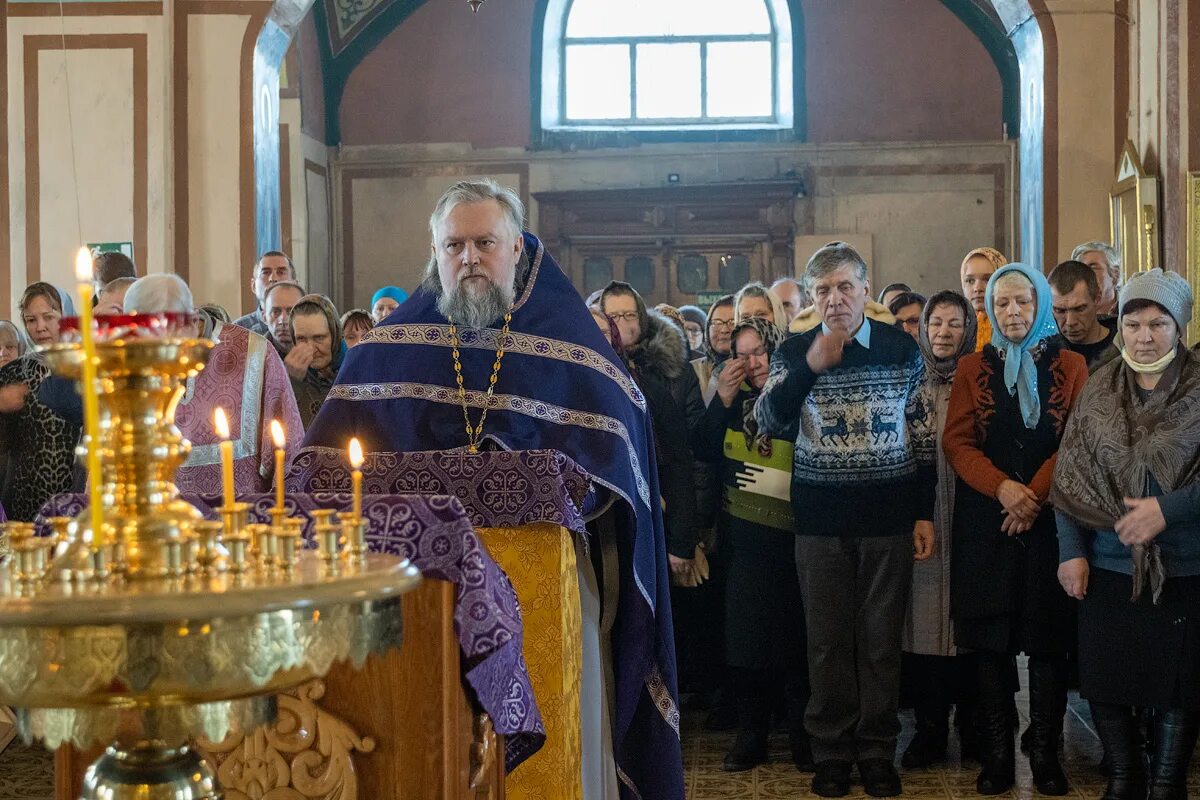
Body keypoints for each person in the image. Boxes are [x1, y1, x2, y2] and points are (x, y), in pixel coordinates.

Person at [298, 178, 684, 800]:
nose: (470, 258)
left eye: (485, 242)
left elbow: (622, 454)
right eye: (454, 246)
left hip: (549, 584)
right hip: (420, 598)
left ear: (518, 247)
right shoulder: (391, 348)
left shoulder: (571, 343)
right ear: (435, 254)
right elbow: (324, 460)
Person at [755, 241, 935, 799]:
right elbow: (769, 420)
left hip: (887, 515)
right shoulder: (794, 350)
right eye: (823, 290)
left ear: (863, 288)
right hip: (820, 519)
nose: (834, 299)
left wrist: (922, 513)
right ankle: (832, 751)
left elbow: (924, 436)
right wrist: (810, 367)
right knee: (828, 642)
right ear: (812, 298)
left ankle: (878, 750)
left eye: (844, 287)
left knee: (880, 642)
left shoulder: (900, 348)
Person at [942, 263, 1089, 796]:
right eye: (1001, 303)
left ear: (1039, 305)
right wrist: (1005, 489)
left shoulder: (1071, 365)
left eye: (1022, 301)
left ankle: (1046, 754)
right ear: (988, 309)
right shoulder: (970, 368)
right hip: (987, 520)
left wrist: (1032, 497)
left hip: (1050, 520)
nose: (1012, 312)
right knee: (990, 646)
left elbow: (1074, 439)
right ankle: (998, 755)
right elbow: (957, 442)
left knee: (1048, 645)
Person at [1053, 268, 1200, 800]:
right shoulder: (1098, 389)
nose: (1143, 336)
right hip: (1109, 563)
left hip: (1184, 565)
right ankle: (1124, 775)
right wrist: (1071, 552)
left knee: (1178, 687)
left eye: (1157, 324)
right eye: (1134, 323)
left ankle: (1165, 783)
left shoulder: (1199, 384)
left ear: (1178, 326)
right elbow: (1069, 478)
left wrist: (1170, 508)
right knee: (1105, 680)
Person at [697, 316, 812, 773]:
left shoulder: (796, 396)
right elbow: (701, 449)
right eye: (741, 353)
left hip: (794, 541)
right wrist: (721, 400)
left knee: (795, 643)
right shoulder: (730, 400)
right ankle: (751, 734)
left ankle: (804, 737)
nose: (752, 362)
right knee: (745, 644)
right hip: (742, 544)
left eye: (759, 351)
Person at [122, 274, 303, 495]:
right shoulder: (130, 361)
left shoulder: (254, 353)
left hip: (241, 520)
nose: (160, 352)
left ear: (192, 319)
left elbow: (288, 451)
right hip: (155, 520)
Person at [901, 291, 977, 769]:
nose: (944, 333)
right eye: (936, 324)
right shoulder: (909, 380)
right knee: (924, 626)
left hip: (972, 517)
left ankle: (974, 725)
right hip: (922, 519)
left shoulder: (984, 377)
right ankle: (929, 729)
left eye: (954, 324)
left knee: (971, 625)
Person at [600, 282, 703, 577]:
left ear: (642, 318)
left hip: (663, 509)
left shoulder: (665, 373)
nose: (622, 324)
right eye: (614, 318)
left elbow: (682, 458)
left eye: (629, 315)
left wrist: (683, 539)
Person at [0, 284, 81, 521]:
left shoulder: (84, 366)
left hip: (74, 489)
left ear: (66, 316)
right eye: (31, 320)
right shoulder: (12, 373)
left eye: (48, 317)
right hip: (25, 494)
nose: (40, 327)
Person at [286, 295, 346, 429]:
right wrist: (291, 383)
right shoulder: (287, 374)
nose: (311, 349)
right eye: (301, 339)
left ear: (335, 334)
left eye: (319, 338)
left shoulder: (354, 371)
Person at [1048, 259, 1119, 371]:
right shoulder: (1043, 351)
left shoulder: (1125, 347)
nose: (1070, 322)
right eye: (1060, 311)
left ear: (1097, 298)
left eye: (1079, 309)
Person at [232, 251, 296, 337]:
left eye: (281, 272)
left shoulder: (309, 325)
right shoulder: (237, 331)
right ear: (254, 285)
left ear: (295, 284)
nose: (273, 278)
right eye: (266, 272)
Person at [960, 247, 1008, 351]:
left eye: (988, 279)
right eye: (970, 281)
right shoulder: (955, 325)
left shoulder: (1013, 323)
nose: (977, 288)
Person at [693, 295, 734, 404]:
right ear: (707, 328)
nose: (724, 330)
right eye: (717, 323)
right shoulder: (693, 371)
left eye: (732, 322)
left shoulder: (755, 367)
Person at [1071, 241, 1122, 316]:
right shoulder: (1070, 316)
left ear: (1115, 274)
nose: (1083, 274)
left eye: (1093, 268)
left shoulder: (1130, 311)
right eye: (1079, 269)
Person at [261, 280, 305, 355]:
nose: (283, 320)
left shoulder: (319, 348)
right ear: (264, 317)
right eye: (275, 312)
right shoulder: (253, 354)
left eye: (291, 311)